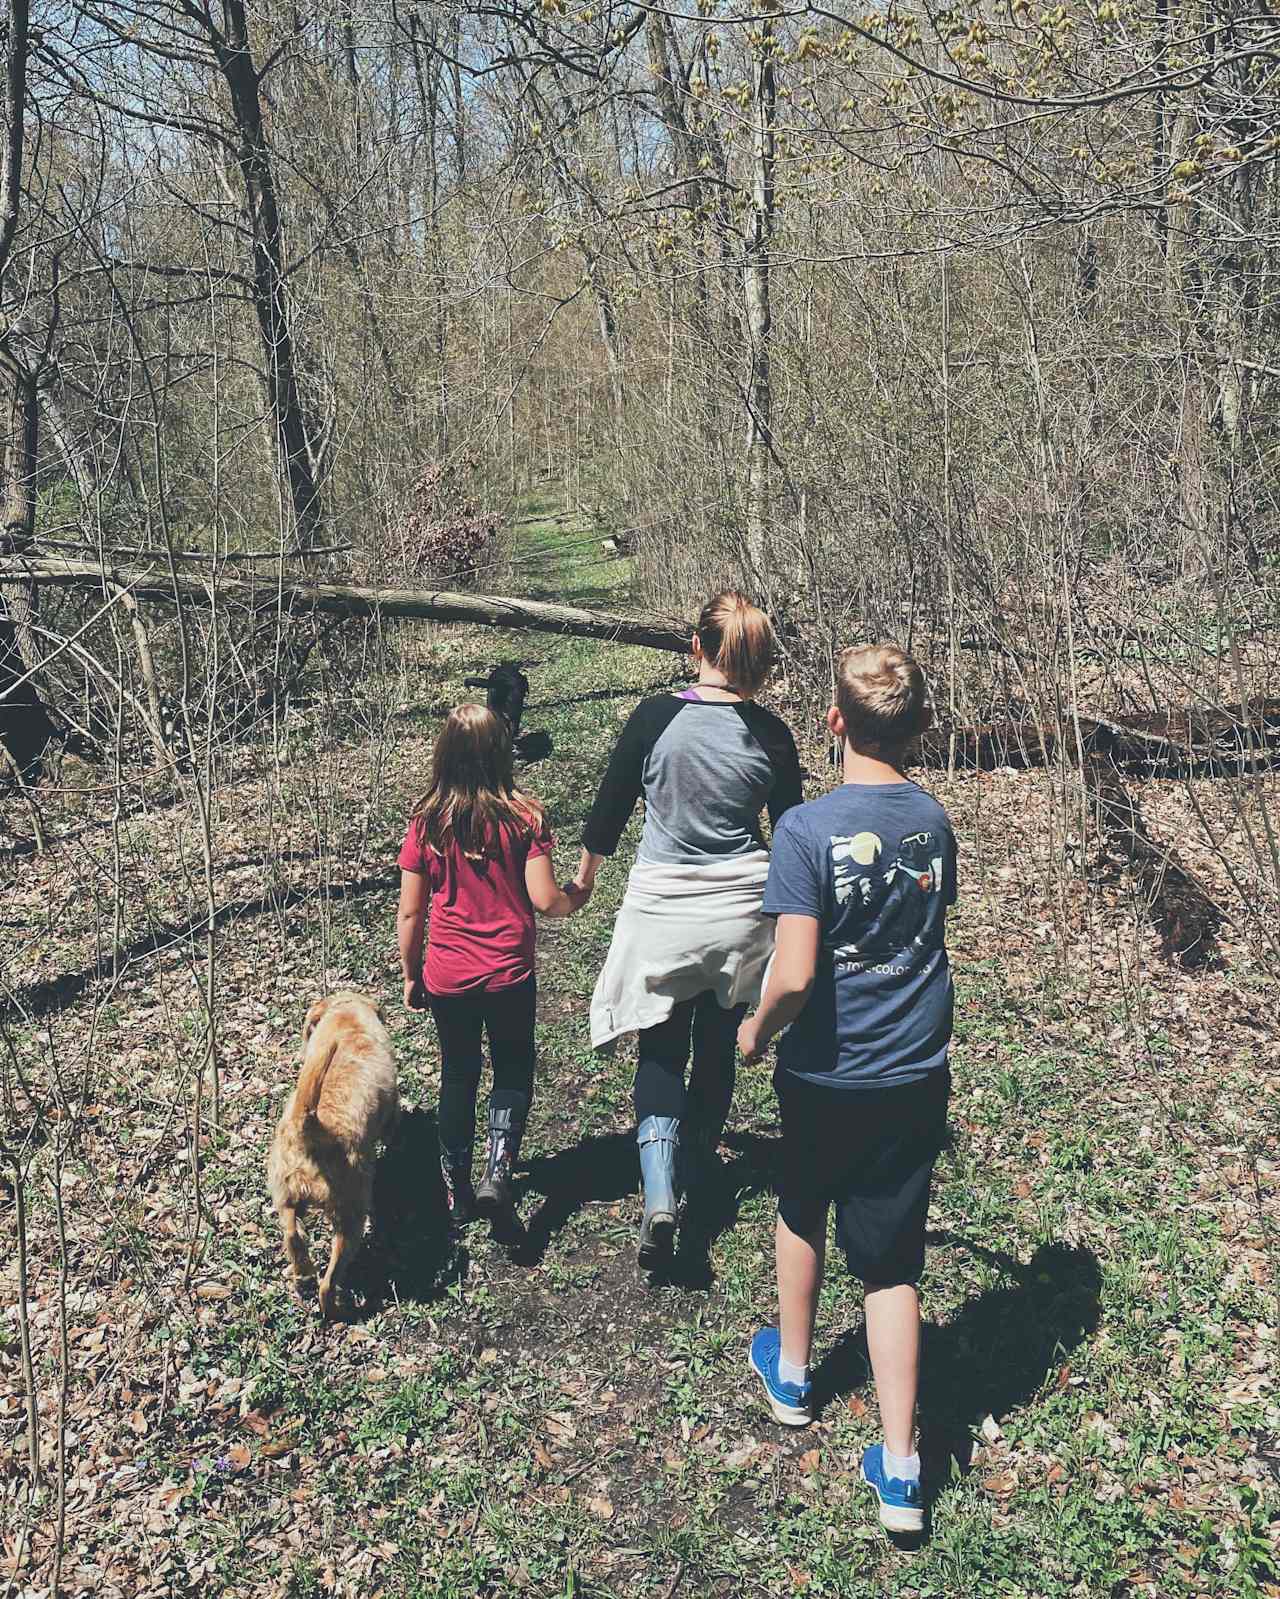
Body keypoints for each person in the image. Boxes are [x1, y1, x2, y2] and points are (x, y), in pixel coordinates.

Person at [738, 643, 957, 1537]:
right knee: (893, 1261)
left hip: (826, 1071)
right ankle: (901, 1470)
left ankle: (793, 1376)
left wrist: (755, 1030)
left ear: (834, 720)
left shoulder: (803, 831)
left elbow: (792, 974)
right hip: (912, 1070)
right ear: (918, 729)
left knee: (801, 1206)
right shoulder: (933, 821)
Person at [571, 592, 802, 1271]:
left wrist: (582, 880)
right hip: (739, 914)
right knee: (719, 1044)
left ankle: (662, 1190)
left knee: (662, 1049)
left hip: (665, 913)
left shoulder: (654, 718)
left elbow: (609, 809)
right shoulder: (773, 735)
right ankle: (700, 1162)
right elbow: (791, 834)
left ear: (696, 648)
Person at [397, 704, 589, 1226]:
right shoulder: (525, 816)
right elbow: (547, 900)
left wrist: (412, 973)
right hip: (508, 973)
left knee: (458, 1072)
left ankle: (457, 1191)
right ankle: (498, 1170)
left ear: (445, 754)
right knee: (512, 1065)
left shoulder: (427, 822)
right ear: (502, 752)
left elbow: (412, 911)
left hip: (449, 975)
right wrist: (580, 891)